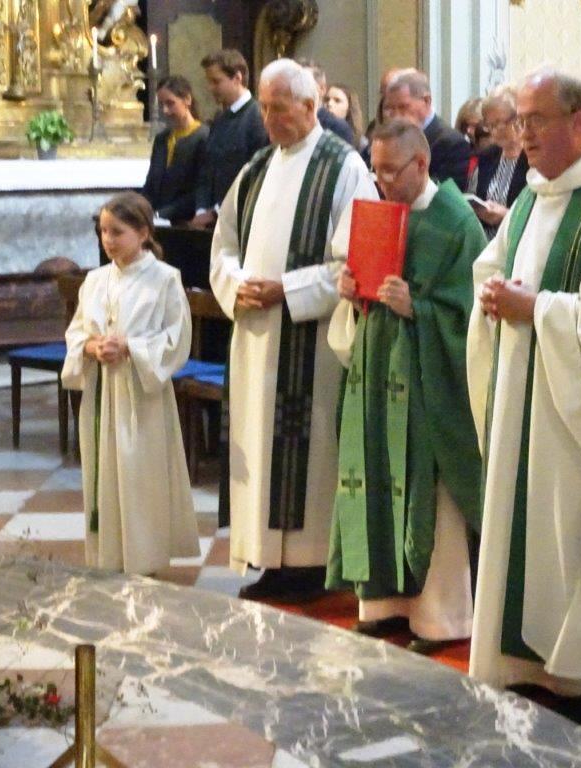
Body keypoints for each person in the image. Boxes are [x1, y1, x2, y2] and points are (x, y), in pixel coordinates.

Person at [467, 68, 581, 723]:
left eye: (536, 119)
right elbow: (493, 263)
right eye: (519, 120)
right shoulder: (530, 197)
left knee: (571, 527)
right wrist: (492, 292)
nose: (523, 134)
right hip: (520, 392)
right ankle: (522, 664)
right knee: (523, 526)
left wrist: (534, 307)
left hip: (576, 408)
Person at [209, 58, 378, 602]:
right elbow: (223, 244)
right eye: (263, 108)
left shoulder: (344, 167)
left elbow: (355, 263)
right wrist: (236, 284)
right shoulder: (256, 167)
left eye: (278, 108)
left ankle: (308, 565)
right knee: (259, 444)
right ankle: (267, 559)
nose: (268, 119)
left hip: (311, 341)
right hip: (256, 333)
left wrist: (287, 289)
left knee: (308, 451)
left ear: (310, 106)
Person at [326, 120, 486, 654]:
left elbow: (471, 314)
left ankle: (441, 618)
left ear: (421, 164)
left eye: (391, 171)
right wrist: (352, 291)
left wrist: (418, 307)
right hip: (375, 373)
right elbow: (364, 295)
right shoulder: (377, 215)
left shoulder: (457, 223)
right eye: (376, 171)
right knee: (374, 477)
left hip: (426, 385)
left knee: (429, 497)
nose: (382, 182)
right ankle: (384, 605)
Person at [62, 192, 199, 575]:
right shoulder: (94, 280)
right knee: (104, 474)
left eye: (117, 232)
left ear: (143, 233)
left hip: (142, 396)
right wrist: (90, 346)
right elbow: (75, 331)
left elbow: (177, 339)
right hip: (102, 391)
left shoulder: (164, 279)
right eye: (103, 231)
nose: (107, 240)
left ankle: (144, 560)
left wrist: (130, 347)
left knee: (140, 477)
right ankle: (108, 559)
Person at [191, 49, 269, 229]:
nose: (211, 88)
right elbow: (207, 168)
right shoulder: (220, 118)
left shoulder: (257, 117)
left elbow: (255, 173)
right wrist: (201, 209)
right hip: (212, 222)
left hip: (241, 218)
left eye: (216, 81)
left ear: (237, 78)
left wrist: (216, 211)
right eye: (209, 82)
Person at [383, 70, 473, 190]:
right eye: (391, 109)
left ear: (426, 101)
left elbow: (446, 193)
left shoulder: (452, 144)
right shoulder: (390, 140)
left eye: (403, 107)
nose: (396, 115)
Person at [142, 76, 209, 224]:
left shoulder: (204, 137)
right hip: (156, 219)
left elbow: (199, 190)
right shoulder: (162, 139)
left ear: (187, 100)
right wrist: (140, 210)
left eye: (170, 103)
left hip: (185, 222)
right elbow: (151, 184)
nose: (165, 111)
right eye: (162, 104)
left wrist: (162, 214)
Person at [468, 89, 529, 239]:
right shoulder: (488, 156)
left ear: (518, 119)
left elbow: (539, 214)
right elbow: (476, 195)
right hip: (487, 240)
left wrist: (506, 215)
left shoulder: (533, 158)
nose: (494, 132)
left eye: (499, 124)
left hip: (518, 240)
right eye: (489, 125)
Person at [298, 60, 356, 146]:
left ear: (322, 89)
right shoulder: (287, 122)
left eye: (304, 84)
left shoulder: (337, 128)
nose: (297, 90)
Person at [326, 82, 367, 151]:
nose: (329, 104)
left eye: (337, 101)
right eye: (326, 100)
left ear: (349, 108)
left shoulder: (361, 144)